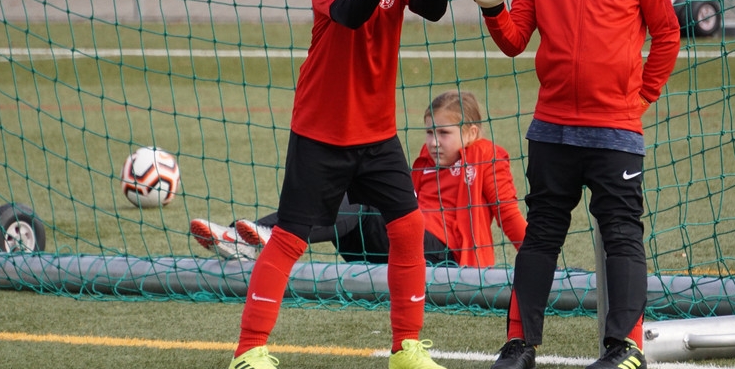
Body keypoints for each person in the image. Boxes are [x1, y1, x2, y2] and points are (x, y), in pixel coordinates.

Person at [220, 0, 450, 369]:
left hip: (377, 135)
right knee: (290, 238)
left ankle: (406, 346)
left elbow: (433, 9)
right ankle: (248, 352)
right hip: (322, 133)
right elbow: (351, 14)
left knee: (408, 228)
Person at [465, 0, 681, 369]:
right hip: (552, 131)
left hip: (615, 132)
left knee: (622, 233)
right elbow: (515, 40)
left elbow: (667, 34)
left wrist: (643, 96)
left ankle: (625, 346)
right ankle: (519, 344)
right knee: (541, 233)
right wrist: (492, 8)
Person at [191, 90, 526, 268]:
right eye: (429, 132)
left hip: (447, 257)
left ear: (471, 132)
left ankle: (262, 237)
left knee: (360, 202)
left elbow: (508, 215)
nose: (434, 142)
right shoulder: (423, 163)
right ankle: (247, 238)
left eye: (444, 133)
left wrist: (538, 263)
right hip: (399, 247)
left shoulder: (487, 155)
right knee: (348, 192)